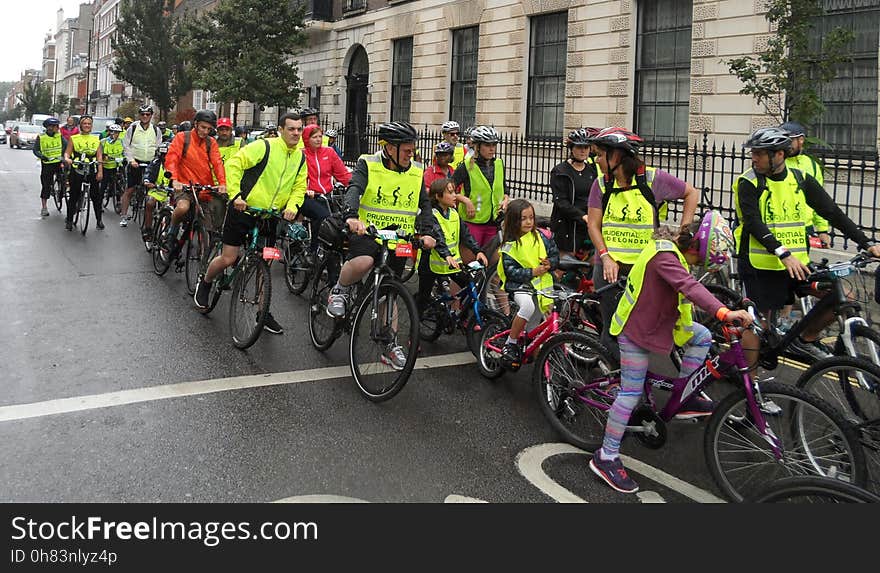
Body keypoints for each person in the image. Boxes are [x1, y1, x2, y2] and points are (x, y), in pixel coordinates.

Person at [588, 212, 754, 494]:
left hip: (661, 324)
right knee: (631, 393)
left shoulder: (674, 252)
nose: (701, 264)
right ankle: (606, 456)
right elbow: (689, 287)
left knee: (701, 337)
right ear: (698, 248)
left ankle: (685, 395)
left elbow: (688, 293)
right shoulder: (666, 256)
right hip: (636, 330)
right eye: (704, 258)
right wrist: (724, 312)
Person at [733, 127, 880, 361]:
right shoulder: (749, 182)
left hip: (797, 266)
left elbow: (832, 212)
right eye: (753, 153)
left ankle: (805, 338)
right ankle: (750, 388)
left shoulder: (800, 179)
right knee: (757, 324)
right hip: (761, 266)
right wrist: (783, 253)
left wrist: (866, 242)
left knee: (844, 296)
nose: (753, 158)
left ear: (779, 154)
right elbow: (753, 223)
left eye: (760, 154)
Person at [325, 121, 438, 368]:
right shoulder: (369, 163)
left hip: (398, 238)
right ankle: (340, 289)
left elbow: (425, 205)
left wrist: (427, 232)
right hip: (368, 231)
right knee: (364, 261)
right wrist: (351, 216)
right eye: (406, 150)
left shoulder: (417, 171)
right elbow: (354, 189)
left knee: (390, 291)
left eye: (412, 150)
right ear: (389, 148)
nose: (411, 154)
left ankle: (389, 344)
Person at [585, 127, 699, 358]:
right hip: (610, 270)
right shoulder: (601, 185)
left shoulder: (652, 179)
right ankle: (616, 382)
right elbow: (594, 225)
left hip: (645, 269)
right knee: (613, 330)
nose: (596, 160)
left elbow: (691, 194)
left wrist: (683, 232)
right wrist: (606, 256)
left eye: (600, 154)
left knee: (641, 329)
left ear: (616, 155)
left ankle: (634, 378)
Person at [193, 112, 308, 336]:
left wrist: (292, 206)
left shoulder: (300, 158)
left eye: (299, 129)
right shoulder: (263, 146)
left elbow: (299, 186)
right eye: (291, 129)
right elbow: (235, 164)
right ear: (281, 129)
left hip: (269, 215)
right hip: (243, 208)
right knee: (229, 258)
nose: (296, 133)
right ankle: (206, 282)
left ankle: (263, 312)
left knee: (266, 262)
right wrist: (235, 196)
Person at [496, 198, 559, 369]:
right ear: (514, 221)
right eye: (523, 218)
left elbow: (554, 255)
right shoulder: (510, 244)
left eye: (531, 217)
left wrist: (550, 264)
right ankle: (511, 341)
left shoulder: (542, 237)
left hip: (539, 287)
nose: (529, 222)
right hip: (519, 286)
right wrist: (532, 272)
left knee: (534, 325)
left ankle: (537, 359)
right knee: (528, 308)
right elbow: (511, 272)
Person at [416, 178, 488, 317]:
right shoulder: (430, 214)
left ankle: (458, 315)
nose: (455, 195)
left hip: (450, 263)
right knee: (422, 300)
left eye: (454, 191)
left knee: (469, 285)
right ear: (438, 196)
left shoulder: (454, 213)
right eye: (450, 192)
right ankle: (414, 332)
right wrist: (446, 255)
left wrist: (477, 251)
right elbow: (437, 236)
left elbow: (466, 235)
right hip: (430, 264)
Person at [162, 109, 226, 254]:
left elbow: (217, 163)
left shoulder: (211, 142)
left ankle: (203, 262)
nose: (205, 131)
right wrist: (175, 179)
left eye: (209, 129)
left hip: (202, 188)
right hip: (184, 185)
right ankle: (171, 234)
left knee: (207, 222)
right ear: (196, 124)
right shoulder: (182, 137)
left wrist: (222, 183)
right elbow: (172, 158)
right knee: (183, 208)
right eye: (203, 127)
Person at [451, 125, 510, 252]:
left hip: (494, 222)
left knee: (492, 264)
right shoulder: (466, 166)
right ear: (477, 146)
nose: (492, 149)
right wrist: (465, 201)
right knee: (473, 263)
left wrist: (505, 200)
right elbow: (447, 190)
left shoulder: (499, 164)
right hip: (473, 222)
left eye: (494, 145)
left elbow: (504, 189)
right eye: (487, 145)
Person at [300, 123, 351, 257]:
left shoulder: (329, 152)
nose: (318, 139)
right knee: (323, 217)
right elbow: (295, 177)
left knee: (339, 222)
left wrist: (354, 186)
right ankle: (313, 249)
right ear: (306, 139)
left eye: (320, 136)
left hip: (327, 195)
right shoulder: (301, 155)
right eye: (314, 137)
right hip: (308, 196)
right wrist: (306, 189)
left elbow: (342, 174)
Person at [550, 128, 601, 259]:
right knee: (564, 264)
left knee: (586, 264)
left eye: (586, 147)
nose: (583, 151)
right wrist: (582, 216)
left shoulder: (591, 171)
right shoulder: (560, 171)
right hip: (567, 226)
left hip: (587, 226)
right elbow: (561, 201)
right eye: (579, 147)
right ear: (571, 149)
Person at [779, 120, 830, 247]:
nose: (784, 144)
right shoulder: (777, 163)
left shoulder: (811, 165)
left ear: (800, 140)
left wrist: (822, 230)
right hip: (780, 228)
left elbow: (819, 200)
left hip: (805, 228)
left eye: (788, 140)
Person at [120, 104, 162, 227]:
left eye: (147, 114)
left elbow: (158, 147)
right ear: (139, 115)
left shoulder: (156, 130)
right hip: (135, 162)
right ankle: (123, 215)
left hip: (150, 163)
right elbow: (126, 146)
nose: (145, 116)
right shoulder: (132, 128)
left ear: (151, 116)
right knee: (130, 189)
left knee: (152, 189)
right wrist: (131, 160)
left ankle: (152, 214)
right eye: (142, 114)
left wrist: (157, 161)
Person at [62, 115, 104, 230]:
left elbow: (99, 156)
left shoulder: (96, 139)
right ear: (80, 125)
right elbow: (67, 152)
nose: (87, 126)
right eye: (84, 123)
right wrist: (67, 159)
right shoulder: (74, 138)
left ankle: (99, 219)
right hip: (77, 169)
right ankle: (70, 220)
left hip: (91, 169)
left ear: (91, 126)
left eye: (89, 124)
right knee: (74, 196)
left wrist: (100, 172)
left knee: (96, 196)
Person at [34, 117, 68, 217]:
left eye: (57, 126)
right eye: (53, 126)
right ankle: (44, 207)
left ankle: (61, 191)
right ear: (48, 127)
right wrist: (42, 156)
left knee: (65, 178)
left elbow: (66, 146)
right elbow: (35, 150)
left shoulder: (59, 136)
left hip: (58, 162)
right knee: (46, 185)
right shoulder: (41, 137)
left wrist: (64, 156)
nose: (56, 128)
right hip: (47, 163)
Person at [141, 142, 172, 246]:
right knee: (150, 203)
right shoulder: (155, 162)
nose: (165, 157)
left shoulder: (176, 164)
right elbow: (148, 172)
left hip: (170, 192)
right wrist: (147, 181)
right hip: (156, 190)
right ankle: (148, 229)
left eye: (168, 154)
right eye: (163, 155)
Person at [99, 124, 124, 209]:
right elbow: (99, 154)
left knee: (118, 184)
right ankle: (100, 203)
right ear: (110, 132)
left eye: (118, 133)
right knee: (104, 184)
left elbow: (125, 152)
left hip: (117, 166)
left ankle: (118, 201)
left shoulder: (121, 141)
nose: (116, 135)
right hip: (106, 166)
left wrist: (125, 158)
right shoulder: (103, 141)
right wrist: (103, 156)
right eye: (115, 132)